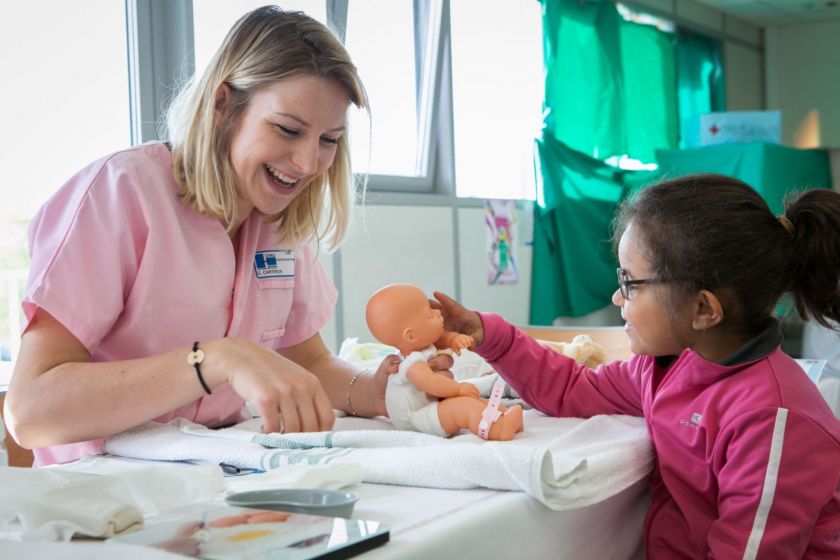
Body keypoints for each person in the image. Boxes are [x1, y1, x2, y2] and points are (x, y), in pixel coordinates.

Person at [3, 6, 453, 467]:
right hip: (103, 492)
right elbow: (31, 411)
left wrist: (383, 392)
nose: (307, 164)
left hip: (216, 477)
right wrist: (215, 360)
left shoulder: (276, 219)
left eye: (329, 140)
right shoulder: (121, 194)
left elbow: (311, 364)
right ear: (223, 105)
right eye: (288, 130)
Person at [434, 175, 840, 558]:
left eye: (630, 282)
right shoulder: (667, 367)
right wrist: (490, 335)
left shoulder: (773, 420)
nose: (616, 297)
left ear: (702, 309)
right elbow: (572, 389)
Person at [366, 283, 523, 440]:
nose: (438, 312)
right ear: (411, 336)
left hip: (429, 404)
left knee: (473, 400)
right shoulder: (411, 365)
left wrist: (455, 339)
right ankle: (498, 429)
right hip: (416, 416)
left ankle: (502, 415)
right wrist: (458, 389)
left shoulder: (422, 346)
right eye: (429, 314)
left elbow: (442, 338)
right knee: (464, 407)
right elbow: (432, 383)